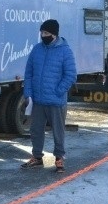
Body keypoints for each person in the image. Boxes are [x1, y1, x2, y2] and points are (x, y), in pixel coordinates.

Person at [20, 19, 77, 173]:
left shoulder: (65, 51)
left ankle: (59, 158)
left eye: (46, 33)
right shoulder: (37, 49)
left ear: (54, 34)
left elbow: (71, 75)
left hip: (56, 101)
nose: (43, 35)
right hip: (38, 100)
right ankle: (37, 157)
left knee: (58, 131)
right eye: (42, 33)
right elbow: (29, 73)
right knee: (36, 129)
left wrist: (58, 91)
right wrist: (28, 94)